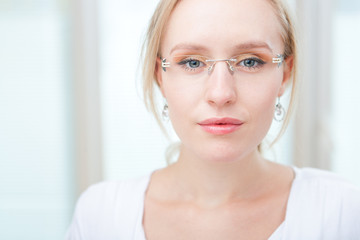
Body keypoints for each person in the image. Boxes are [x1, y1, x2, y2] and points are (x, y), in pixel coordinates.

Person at [66, 0, 360, 239]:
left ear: (284, 73)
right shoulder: (101, 216)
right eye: (192, 62)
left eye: (250, 61)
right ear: (160, 76)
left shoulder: (341, 213)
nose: (221, 94)